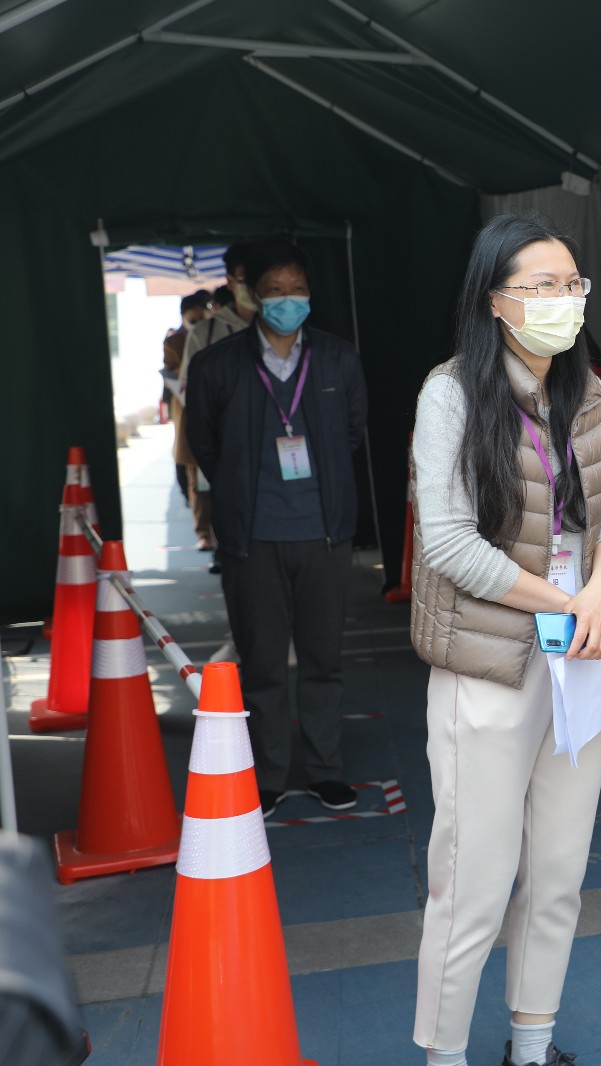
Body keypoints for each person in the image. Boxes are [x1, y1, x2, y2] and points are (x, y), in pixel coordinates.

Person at [409, 213, 601, 1066]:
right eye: (541, 286)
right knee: (471, 881)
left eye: (572, 284)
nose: (563, 300)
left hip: (581, 657)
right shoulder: (452, 394)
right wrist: (567, 602)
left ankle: (531, 1049)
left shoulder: (589, 392)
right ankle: (445, 1057)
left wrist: (600, 592)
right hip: (490, 664)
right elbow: (449, 542)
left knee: (559, 873)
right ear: (495, 301)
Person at [184, 239, 369, 818]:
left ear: (310, 294)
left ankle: (325, 771)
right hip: (253, 538)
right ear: (252, 295)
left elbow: (352, 432)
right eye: (275, 290)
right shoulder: (217, 364)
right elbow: (204, 441)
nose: (288, 300)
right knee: (261, 665)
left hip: (324, 534)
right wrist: (240, 490)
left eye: (297, 289)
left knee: (322, 661)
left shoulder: (338, 359)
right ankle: (267, 777)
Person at [178, 242, 256, 552]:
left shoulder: (289, 329)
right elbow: (190, 396)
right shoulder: (206, 334)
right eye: (245, 277)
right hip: (229, 453)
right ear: (231, 281)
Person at [163, 292, 211, 490]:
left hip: (212, 405)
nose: (198, 324)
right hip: (186, 404)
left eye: (201, 319)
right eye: (193, 320)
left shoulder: (213, 333)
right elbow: (171, 371)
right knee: (192, 465)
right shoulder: (174, 342)